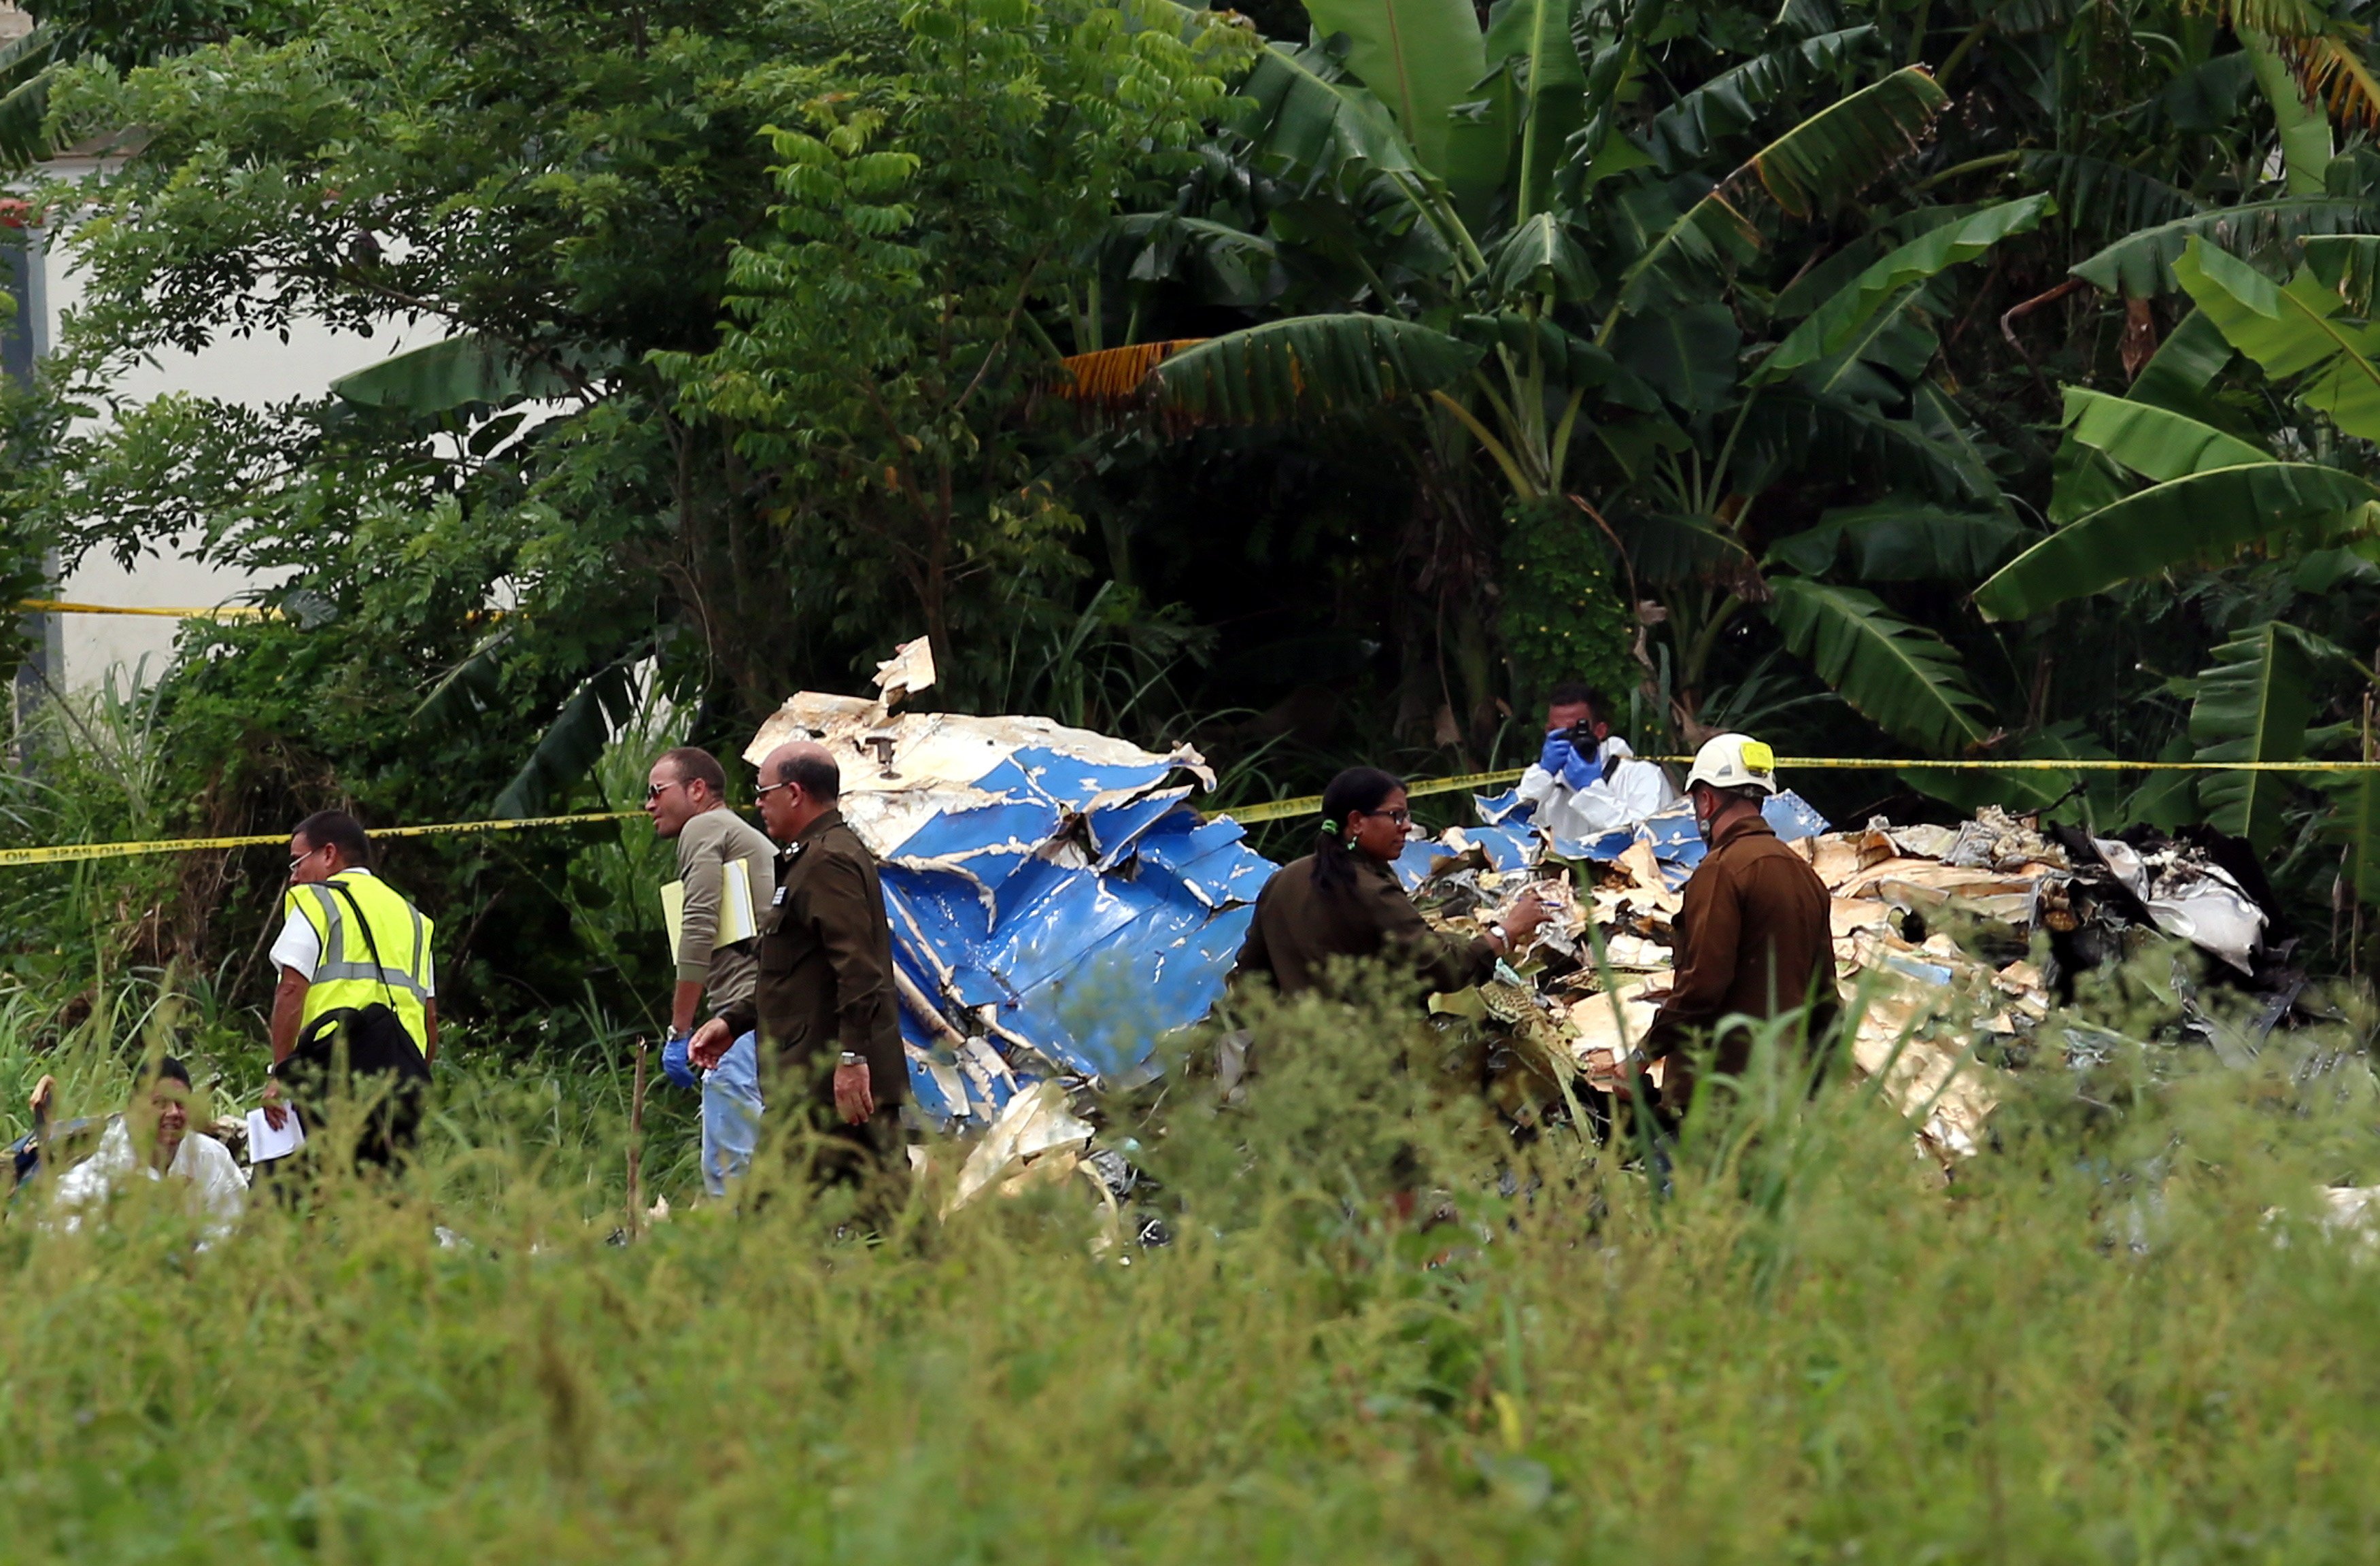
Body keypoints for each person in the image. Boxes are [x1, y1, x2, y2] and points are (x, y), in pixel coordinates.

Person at [688, 741, 906, 1195]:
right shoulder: (812, 857)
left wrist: (851, 1059)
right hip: (827, 1082)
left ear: (794, 792)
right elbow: (798, 972)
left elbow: (858, 970)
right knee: (895, 1222)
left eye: (763, 791)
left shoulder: (827, 861)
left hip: (825, 1085)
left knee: (773, 1224)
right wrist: (734, 1021)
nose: (758, 802)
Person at [1629, 734, 1838, 1117]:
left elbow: (1704, 984)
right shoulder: (1806, 877)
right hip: (1778, 1091)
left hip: (1720, 1093)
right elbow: (1825, 999)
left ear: (1706, 799)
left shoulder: (1722, 870)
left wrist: (1645, 1052)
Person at [1232, 766, 1550, 1002]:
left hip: (1284, 1068)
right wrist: (1508, 930)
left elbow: (1249, 977)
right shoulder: (1372, 891)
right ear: (1357, 822)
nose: (1407, 826)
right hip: (1361, 1071)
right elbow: (1444, 967)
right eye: (1396, 816)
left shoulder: (1283, 880)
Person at [260, 810, 437, 1164]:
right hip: (401, 1080)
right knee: (384, 1201)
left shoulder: (318, 903)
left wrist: (283, 1073)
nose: (294, 878)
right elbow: (429, 1016)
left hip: (331, 1073)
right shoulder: (413, 919)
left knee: (292, 1196)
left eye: (297, 863)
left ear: (328, 854)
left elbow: (291, 991)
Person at [643, 745, 778, 1197]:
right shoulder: (742, 834)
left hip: (741, 1013)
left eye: (657, 791)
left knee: (729, 1168)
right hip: (771, 1008)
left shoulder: (704, 826)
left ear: (697, 789)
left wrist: (679, 1029)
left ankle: (741, 1265)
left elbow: (698, 924)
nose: (649, 804)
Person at [50, 1057, 247, 1242]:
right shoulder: (105, 1167)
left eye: (181, 1104)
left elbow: (231, 1224)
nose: (173, 1113)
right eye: (161, 1103)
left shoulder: (210, 1156)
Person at [1514, 681, 1676, 842]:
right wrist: (1541, 776)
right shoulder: (1548, 784)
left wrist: (1590, 791)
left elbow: (1647, 839)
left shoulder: (1642, 776)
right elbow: (1511, 829)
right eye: (1554, 731)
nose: (1565, 739)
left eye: (1574, 731)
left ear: (1600, 731)